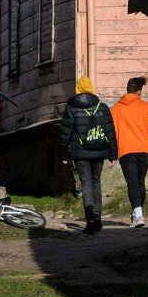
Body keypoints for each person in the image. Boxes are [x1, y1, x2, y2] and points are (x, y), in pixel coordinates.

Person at [59, 76, 117, 235]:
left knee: (86, 184)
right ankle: (98, 219)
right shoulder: (102, 107)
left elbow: (65, 133)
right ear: (91, 88)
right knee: (96, 183)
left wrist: (64, 154)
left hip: (80, 152)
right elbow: (110, 132)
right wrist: (113, 154)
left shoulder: (71, 108)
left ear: (77, 89)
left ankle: (90, 219)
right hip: (99, 150)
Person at [111, 76, 148, 229]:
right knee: (140, 182)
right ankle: (138, 213)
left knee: (132, 183)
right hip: (143, 149)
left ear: (127, 89)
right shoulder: (145, 106)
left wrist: (111, 153)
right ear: (139, 91)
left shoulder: (115, 109)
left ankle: (138, 214)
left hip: (126, 150)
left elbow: (111, 131)